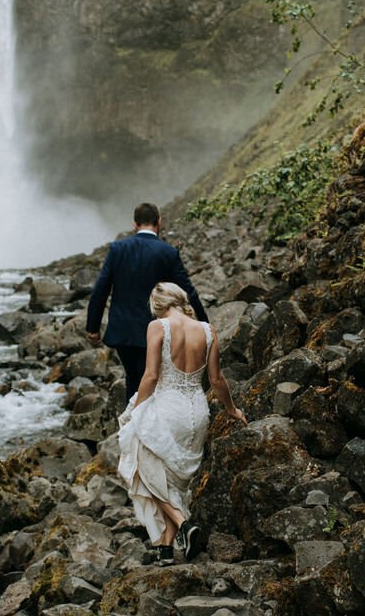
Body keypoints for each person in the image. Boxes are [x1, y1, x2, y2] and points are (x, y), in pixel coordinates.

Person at [116, 282, 246, 563]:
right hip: (197, 412)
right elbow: (216, 380)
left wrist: (134, 413)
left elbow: (150, 376)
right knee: (174, 481)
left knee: (143, 468)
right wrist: (232, 409)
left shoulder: (158, 327)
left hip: (167, 407)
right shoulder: (208, 331)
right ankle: (166, 549)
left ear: (158, 304)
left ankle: (183, 524)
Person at [86, 203, 209, 400]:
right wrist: (204, 323)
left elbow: (100, 290)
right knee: (153, 378)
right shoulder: (167, 252)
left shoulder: (118, 249)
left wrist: (92, 326)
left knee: (133, 378)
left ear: (135, 224)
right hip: (157, 328)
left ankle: (132, 423)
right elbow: (188, 292)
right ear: (159, 222)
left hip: (122, 328)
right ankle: (147, 424)